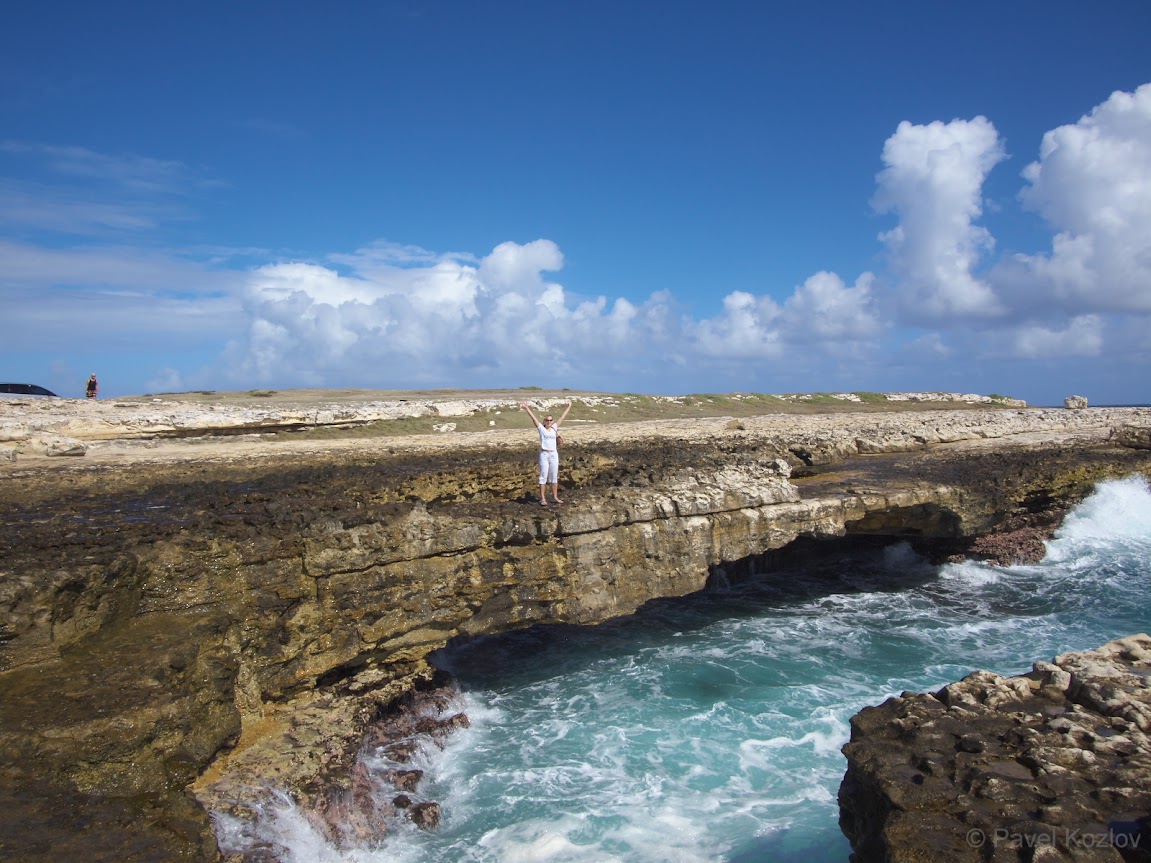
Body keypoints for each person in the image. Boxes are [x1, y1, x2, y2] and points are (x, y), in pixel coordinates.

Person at [520, 399, 572, 506]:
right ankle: (543, 499)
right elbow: (534, 418)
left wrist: (569, 406)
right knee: (543, 476)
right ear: (544, 422)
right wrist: (527, 408)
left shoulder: (554, 428)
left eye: (550, 420)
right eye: (547, 420)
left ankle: (555, 496)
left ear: (552, 421)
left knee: (554, 476)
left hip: (553, 454)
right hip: (544, 454)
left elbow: (562, 417)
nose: (549, 422)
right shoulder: (541, 429)